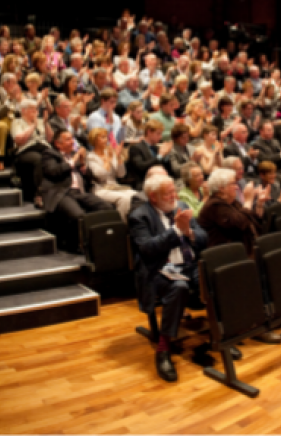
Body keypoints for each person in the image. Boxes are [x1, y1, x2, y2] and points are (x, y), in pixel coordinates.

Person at [128, 175, 207, 383]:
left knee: (214, 277)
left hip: (189, 265)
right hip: (160, 270)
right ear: (153, 197)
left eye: (174, 191)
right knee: (179, 287)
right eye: (168, 193)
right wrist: (175, 230)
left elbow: (204, 238)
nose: (175, 196)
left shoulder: (181, 207)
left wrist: (188, 231)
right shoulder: (139, 216)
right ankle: (163, 350)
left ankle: (221, 336)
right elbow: (147, 249)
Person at [41, 130, 113, 249]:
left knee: (106, 208)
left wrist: (83, 165)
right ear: (58, 144)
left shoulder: (76, 155)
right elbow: (53, 172)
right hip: (62, 193)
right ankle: (80, 246)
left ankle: (103, 242)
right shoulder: (49, 154)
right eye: (68, 139)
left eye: (72, 139)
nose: (72, 142)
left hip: (79, 192)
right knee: (79, 215)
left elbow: (90, 178)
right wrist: (72, 161)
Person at [86, 127, 138, 220]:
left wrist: (118, 157)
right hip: (101, 189)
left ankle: (134, 223)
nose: (106, 140)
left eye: (106, 137)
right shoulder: (91, 157)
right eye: (102, 137)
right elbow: (100, 176)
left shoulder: (110, 153)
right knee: (124, 199)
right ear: (94, 140)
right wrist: (108, 161)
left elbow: (121, 174)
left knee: (136, 195)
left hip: (115, 186)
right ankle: (121, 226)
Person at [12, 98, 52, 206]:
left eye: (36, 109)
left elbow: (49, 139)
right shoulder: (17, 122)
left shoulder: (40, 121)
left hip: (43, 148)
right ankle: (39, 195)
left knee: (56, 158)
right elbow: (19, 141)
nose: (36, 112)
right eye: (32, 109)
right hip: (25, 151)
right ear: (23, 110)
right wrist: (33, 125)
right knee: (38, 159)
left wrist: (45, 123)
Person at [128, 120, 172, 190]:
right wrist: (160, 156)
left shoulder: (156, 148)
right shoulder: (136, 148)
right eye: (158, 134)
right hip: (144, 182)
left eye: (161, 134)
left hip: (161, 180)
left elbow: (168, 169)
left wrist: (166, 156)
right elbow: (141, 167)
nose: (160, 137)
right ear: (149, 132)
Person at [251, 121, 281, 186]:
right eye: (269, 130)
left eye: (272, 129)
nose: (271, 132)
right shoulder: (257, 145)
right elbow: (266, 160)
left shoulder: (275, 141)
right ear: (261, 131)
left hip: (280, 168)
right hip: (269, 172)